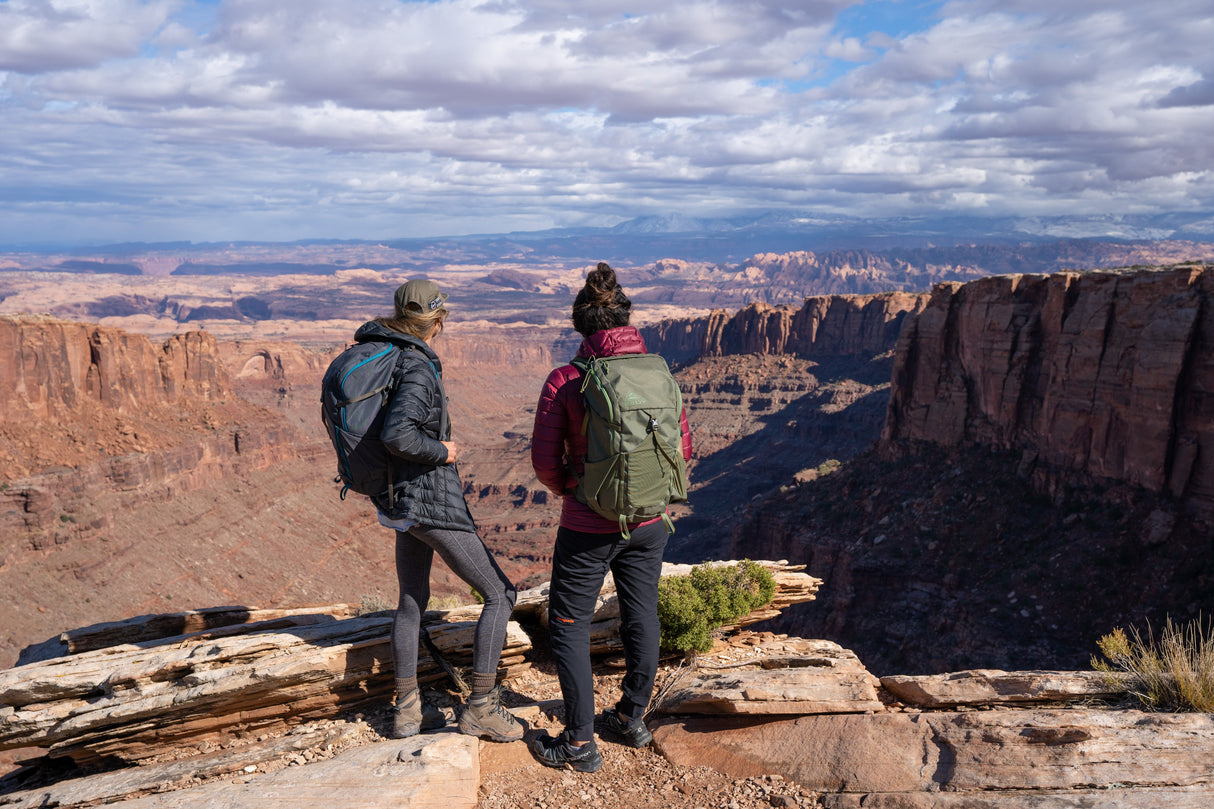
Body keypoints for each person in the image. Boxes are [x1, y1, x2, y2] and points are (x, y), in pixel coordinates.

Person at [528, 263, 693, 772]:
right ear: (626, 319)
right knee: (641, 613)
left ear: (581, 325)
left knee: (570, 624)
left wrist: (575, 492)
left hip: (587, 526)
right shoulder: (659, 371)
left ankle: (579, 744)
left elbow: (543, 461)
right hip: (649, 521)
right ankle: (631, 717)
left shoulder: (567, 378)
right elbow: (683, 447)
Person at [355, 278, 524, 743]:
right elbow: (397, 436)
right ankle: (481, 708)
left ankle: (408, 711)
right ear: (437, 320)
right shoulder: (416, 365)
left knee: (412, 600)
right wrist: (444, 451)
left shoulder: (382, 349)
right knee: (499, 594)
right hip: (425, 500)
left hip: (394, 501)